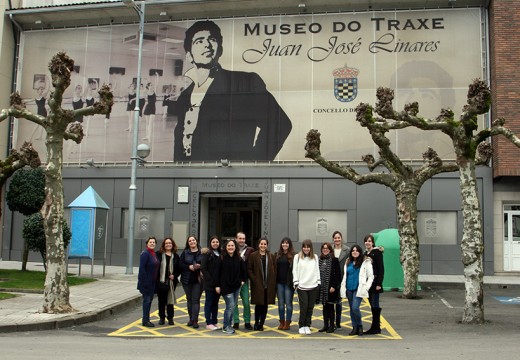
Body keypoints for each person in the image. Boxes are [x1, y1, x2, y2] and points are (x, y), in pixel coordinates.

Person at [174, 20, 292, 161]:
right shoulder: (184, 96)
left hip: (228, 174)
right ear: (189, 55)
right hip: (188, 173)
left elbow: (280, 124)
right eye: (199, 41)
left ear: (220, 49)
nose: (207, 45)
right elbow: (181, 141)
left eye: (212, 39)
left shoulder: (245, 82)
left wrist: (254, 163)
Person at [340, 244, 374, 336]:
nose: (355, 252)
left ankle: (359, 325)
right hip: (349, 288)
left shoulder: (365, 262)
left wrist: (366, 287)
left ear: (360, 252)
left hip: (358, 288)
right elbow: (345, 274)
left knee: (355, 307)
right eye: (353, 251)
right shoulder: (348, 261)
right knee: (351, 309)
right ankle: (354, 327)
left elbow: (371, 276)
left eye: (357, 250)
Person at [215, 239, 247, 335]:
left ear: (235, 247)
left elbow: (244, 271)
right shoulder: (221, 258)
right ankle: (225, 326)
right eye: (229, 246)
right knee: (230, 306)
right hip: (226, 287)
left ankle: (229, 325)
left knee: (232, 307)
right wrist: (217, 286)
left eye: (232, 246)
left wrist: (242, 281)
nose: (230, 247)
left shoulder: (239, 258)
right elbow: (216, 273)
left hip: (236, 286)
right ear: (225, 247)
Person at [247, 237, 276, 331]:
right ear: (258, 245)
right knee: (258, 305)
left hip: (268, 284)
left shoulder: (271, 256)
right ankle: (256, 322)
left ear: (267, 245)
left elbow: (275, 269)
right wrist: (254, 279)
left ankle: (261, 323)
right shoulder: (253, 255)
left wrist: (273, 280)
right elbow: (249, 269)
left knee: (265, 305)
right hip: (257, 284)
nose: (263, 246)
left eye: (265, 244)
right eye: (261, 244)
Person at [292, 239, 320, 335]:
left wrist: (318, 282)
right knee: (303, 307)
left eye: (308, 247)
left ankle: (307, 325)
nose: (306, 249)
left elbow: (317, 270)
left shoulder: (315, 257)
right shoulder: (297, 257)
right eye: (304, 247)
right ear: (302, 247)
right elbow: (294, 270)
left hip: (313, 286)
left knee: (310, 308)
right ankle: (301, 325)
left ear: (311, 248)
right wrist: (296, 283)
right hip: (302, 286)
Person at [155, 237, 180, 326]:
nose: (168, 244)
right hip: (161, 281)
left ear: (172, 244)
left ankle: (170, 318)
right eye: (166, 243)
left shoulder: (176, 256)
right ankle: (162, 318)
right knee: (161, 300)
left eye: (170, 243)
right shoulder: (158, 254)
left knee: (170, 300)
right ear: (163, 245)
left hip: (171, 282)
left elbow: (179, 268)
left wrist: (175, 275)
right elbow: (156, 267)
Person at [180, 235, 203, 328]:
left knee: (195, 300)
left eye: (193, 240)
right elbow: (180, 264)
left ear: (196, 241)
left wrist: (200, 266)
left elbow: (207, 263)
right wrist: (188, 267)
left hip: (198, 279)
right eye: (190, 241)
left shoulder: (202, 252)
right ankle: (191, 318)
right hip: (187, 279)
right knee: (189, 299)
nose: (192, 242)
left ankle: (195, 320)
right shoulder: (185, 252)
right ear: (188, 243)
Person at [317, 242, 341, 333]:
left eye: (327, 248)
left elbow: (338, 275)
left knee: (330, 307)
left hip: (331, 288)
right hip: (322, 288)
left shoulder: (334, 260)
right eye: (323, 248)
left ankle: (332, 325)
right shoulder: (320, 260)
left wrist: (334, 286)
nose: (325, 250)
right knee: (324, 307)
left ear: (330, 250)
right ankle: (325, 325)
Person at [363, 234, 385, 335]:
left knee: (375, 305)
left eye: (369, 241)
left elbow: (381, 268)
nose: (367, 243)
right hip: (368, 284)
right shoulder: (365, 253)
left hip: (375, 283)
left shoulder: (377, 253)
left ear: (373, 243)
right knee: (372, 305)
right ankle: (375, 326)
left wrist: (379, 283)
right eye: (366, 241)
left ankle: (376, 327)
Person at [233, 232, 254, 330]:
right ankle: (236, 322)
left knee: (246, 302)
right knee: (234, 303)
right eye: (240, 238)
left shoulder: (250, 250)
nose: (241, 240)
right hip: (233, 281)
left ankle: (247, 321)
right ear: (236, 239)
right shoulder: (231, 248)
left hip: (244, 280)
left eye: (243, 238)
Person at [137, 237, 159, 327]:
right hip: (146, 283)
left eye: (154, 242)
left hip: (152, 282)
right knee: (147, 301)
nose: (152, 243)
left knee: (149, 301)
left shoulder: (153, 254)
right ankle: (145, 320)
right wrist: (144, 282)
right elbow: (142, 269)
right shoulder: (145, 254)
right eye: (150, 242)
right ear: (147, 243)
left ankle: (146, 319)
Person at [201, 235, 221, 330]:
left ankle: (214, 321)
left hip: (218, 283)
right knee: (209, 302)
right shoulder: (207, 253)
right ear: (210, 243)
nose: (215, 243)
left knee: (215, 303)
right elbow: (203, 268)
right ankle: (208, 322)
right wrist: (211, 280)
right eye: (213, 242)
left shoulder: (220, 253)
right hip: (209, 283)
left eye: (217, 242)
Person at [275, 237, 295, 330]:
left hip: (288, 283)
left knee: (288, 303)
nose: (285, 245)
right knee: (281, 304)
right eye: (283, 243)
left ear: (289, 245)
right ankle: (281, 322)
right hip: (279, 283)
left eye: (287, 243)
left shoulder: (294, 256)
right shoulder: (277, 255)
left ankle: (288, 322)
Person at [332, 231, 350, 329]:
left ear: (341, 238)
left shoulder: (347, 250)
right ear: (333, 239)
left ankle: (337, 321)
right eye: (335, 238)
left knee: (339, 301)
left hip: (342, 278)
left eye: (339, 237)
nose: (337, 239)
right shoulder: (330, 249)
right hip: (332, 278)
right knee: (331, 301)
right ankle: (332, 321)